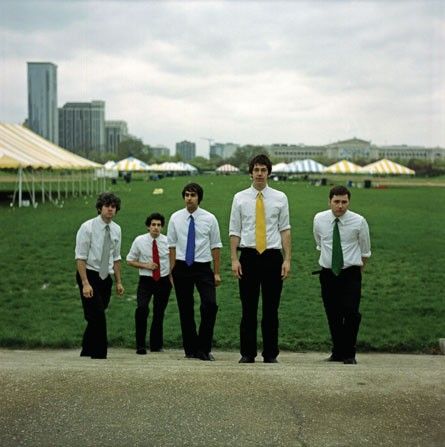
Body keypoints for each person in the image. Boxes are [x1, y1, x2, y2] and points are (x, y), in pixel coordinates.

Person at [229, 154, 291, 363]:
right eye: (256, 170)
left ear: (269, 173)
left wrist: (287, 259)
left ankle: (270, 354)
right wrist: (234, 259)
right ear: (250, 172)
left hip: (272, 257)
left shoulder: (280, 198)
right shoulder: (239, 198)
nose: (259, 174)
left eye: (263, 170)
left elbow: (285, 230)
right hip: (248, 257)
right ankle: (247, 353)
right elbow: (234, 230)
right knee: (248, 308)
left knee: (271, 309)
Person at [313, 185, 371, 365]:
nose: (340, 206)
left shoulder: (359, 221)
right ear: (329, 201)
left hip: (351, 273)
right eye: (336, 202)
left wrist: (357, 270)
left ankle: (349, 352)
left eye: (344, 202)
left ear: (349, 202)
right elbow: (319, 242)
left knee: (351, 312)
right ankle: (337, 351)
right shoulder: (319, 219)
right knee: (333, 313)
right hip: (328, 273)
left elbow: (365, 250)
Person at [167, 183, 222, 361]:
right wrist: (171, 270)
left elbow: (216, 246)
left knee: (210, 304)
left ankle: (204, 349)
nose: (189, 198)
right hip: (182, 267)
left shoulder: (210, 219)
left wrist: (216, 272)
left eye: (193, 195)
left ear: (199, 198)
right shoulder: (175, 218)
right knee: (185, 308)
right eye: (186, 195)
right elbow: (172, 246)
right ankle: (190, 349)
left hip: (202, 267)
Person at [75, 192, 124, 359]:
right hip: (89, 273)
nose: (110, 209)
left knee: (95, 314)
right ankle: (99, 353)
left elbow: (116, 258)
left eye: (113, 207)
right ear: (99, 208)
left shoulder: (117, 229)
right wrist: (85, 283)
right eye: (107, 206)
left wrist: (118, 282)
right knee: (98, 315)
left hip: (105, 277)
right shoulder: (87, 227)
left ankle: (86, 348)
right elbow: (80, 257)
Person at [127, 212, 172, 355]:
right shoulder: (139, 240)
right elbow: (129, 260)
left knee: (159, 313)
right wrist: (145, 265)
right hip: (146, 281)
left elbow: (173, 261)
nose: (156, 228)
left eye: (159, 225)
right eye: (153, 225)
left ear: (162, 227)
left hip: (163, 280)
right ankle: (140, 345)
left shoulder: (168, 241)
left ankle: (156, 344)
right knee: (142, 309)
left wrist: (171, 278)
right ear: (148, 226)